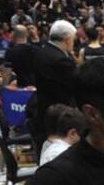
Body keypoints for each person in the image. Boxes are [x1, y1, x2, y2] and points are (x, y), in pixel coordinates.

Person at [30, 20, 78, 152]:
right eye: (73, 39)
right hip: (60, 115)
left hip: (45, 109)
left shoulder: (42, 52)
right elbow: (76, 86)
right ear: (68, 39)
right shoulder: (61, 59)